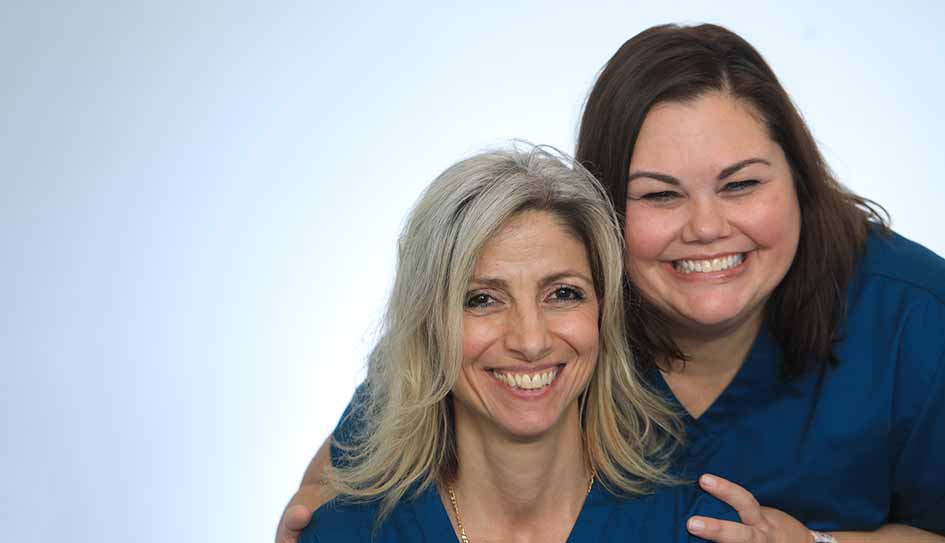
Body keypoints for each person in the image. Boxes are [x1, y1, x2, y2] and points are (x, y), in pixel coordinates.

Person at [279, 24, 945, 543]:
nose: (706, 227)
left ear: (797, 180)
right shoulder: (561, 298)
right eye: (659, 195)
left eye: (740, 184)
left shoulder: (913, 316)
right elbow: (359, 459)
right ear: (605, 214)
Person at [299, 146, 737, 542]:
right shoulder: (344, 532)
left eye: (563, 293)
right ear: (429, 326)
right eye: (482, 300)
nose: (530, 341)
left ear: (603, 316)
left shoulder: (699, 528)